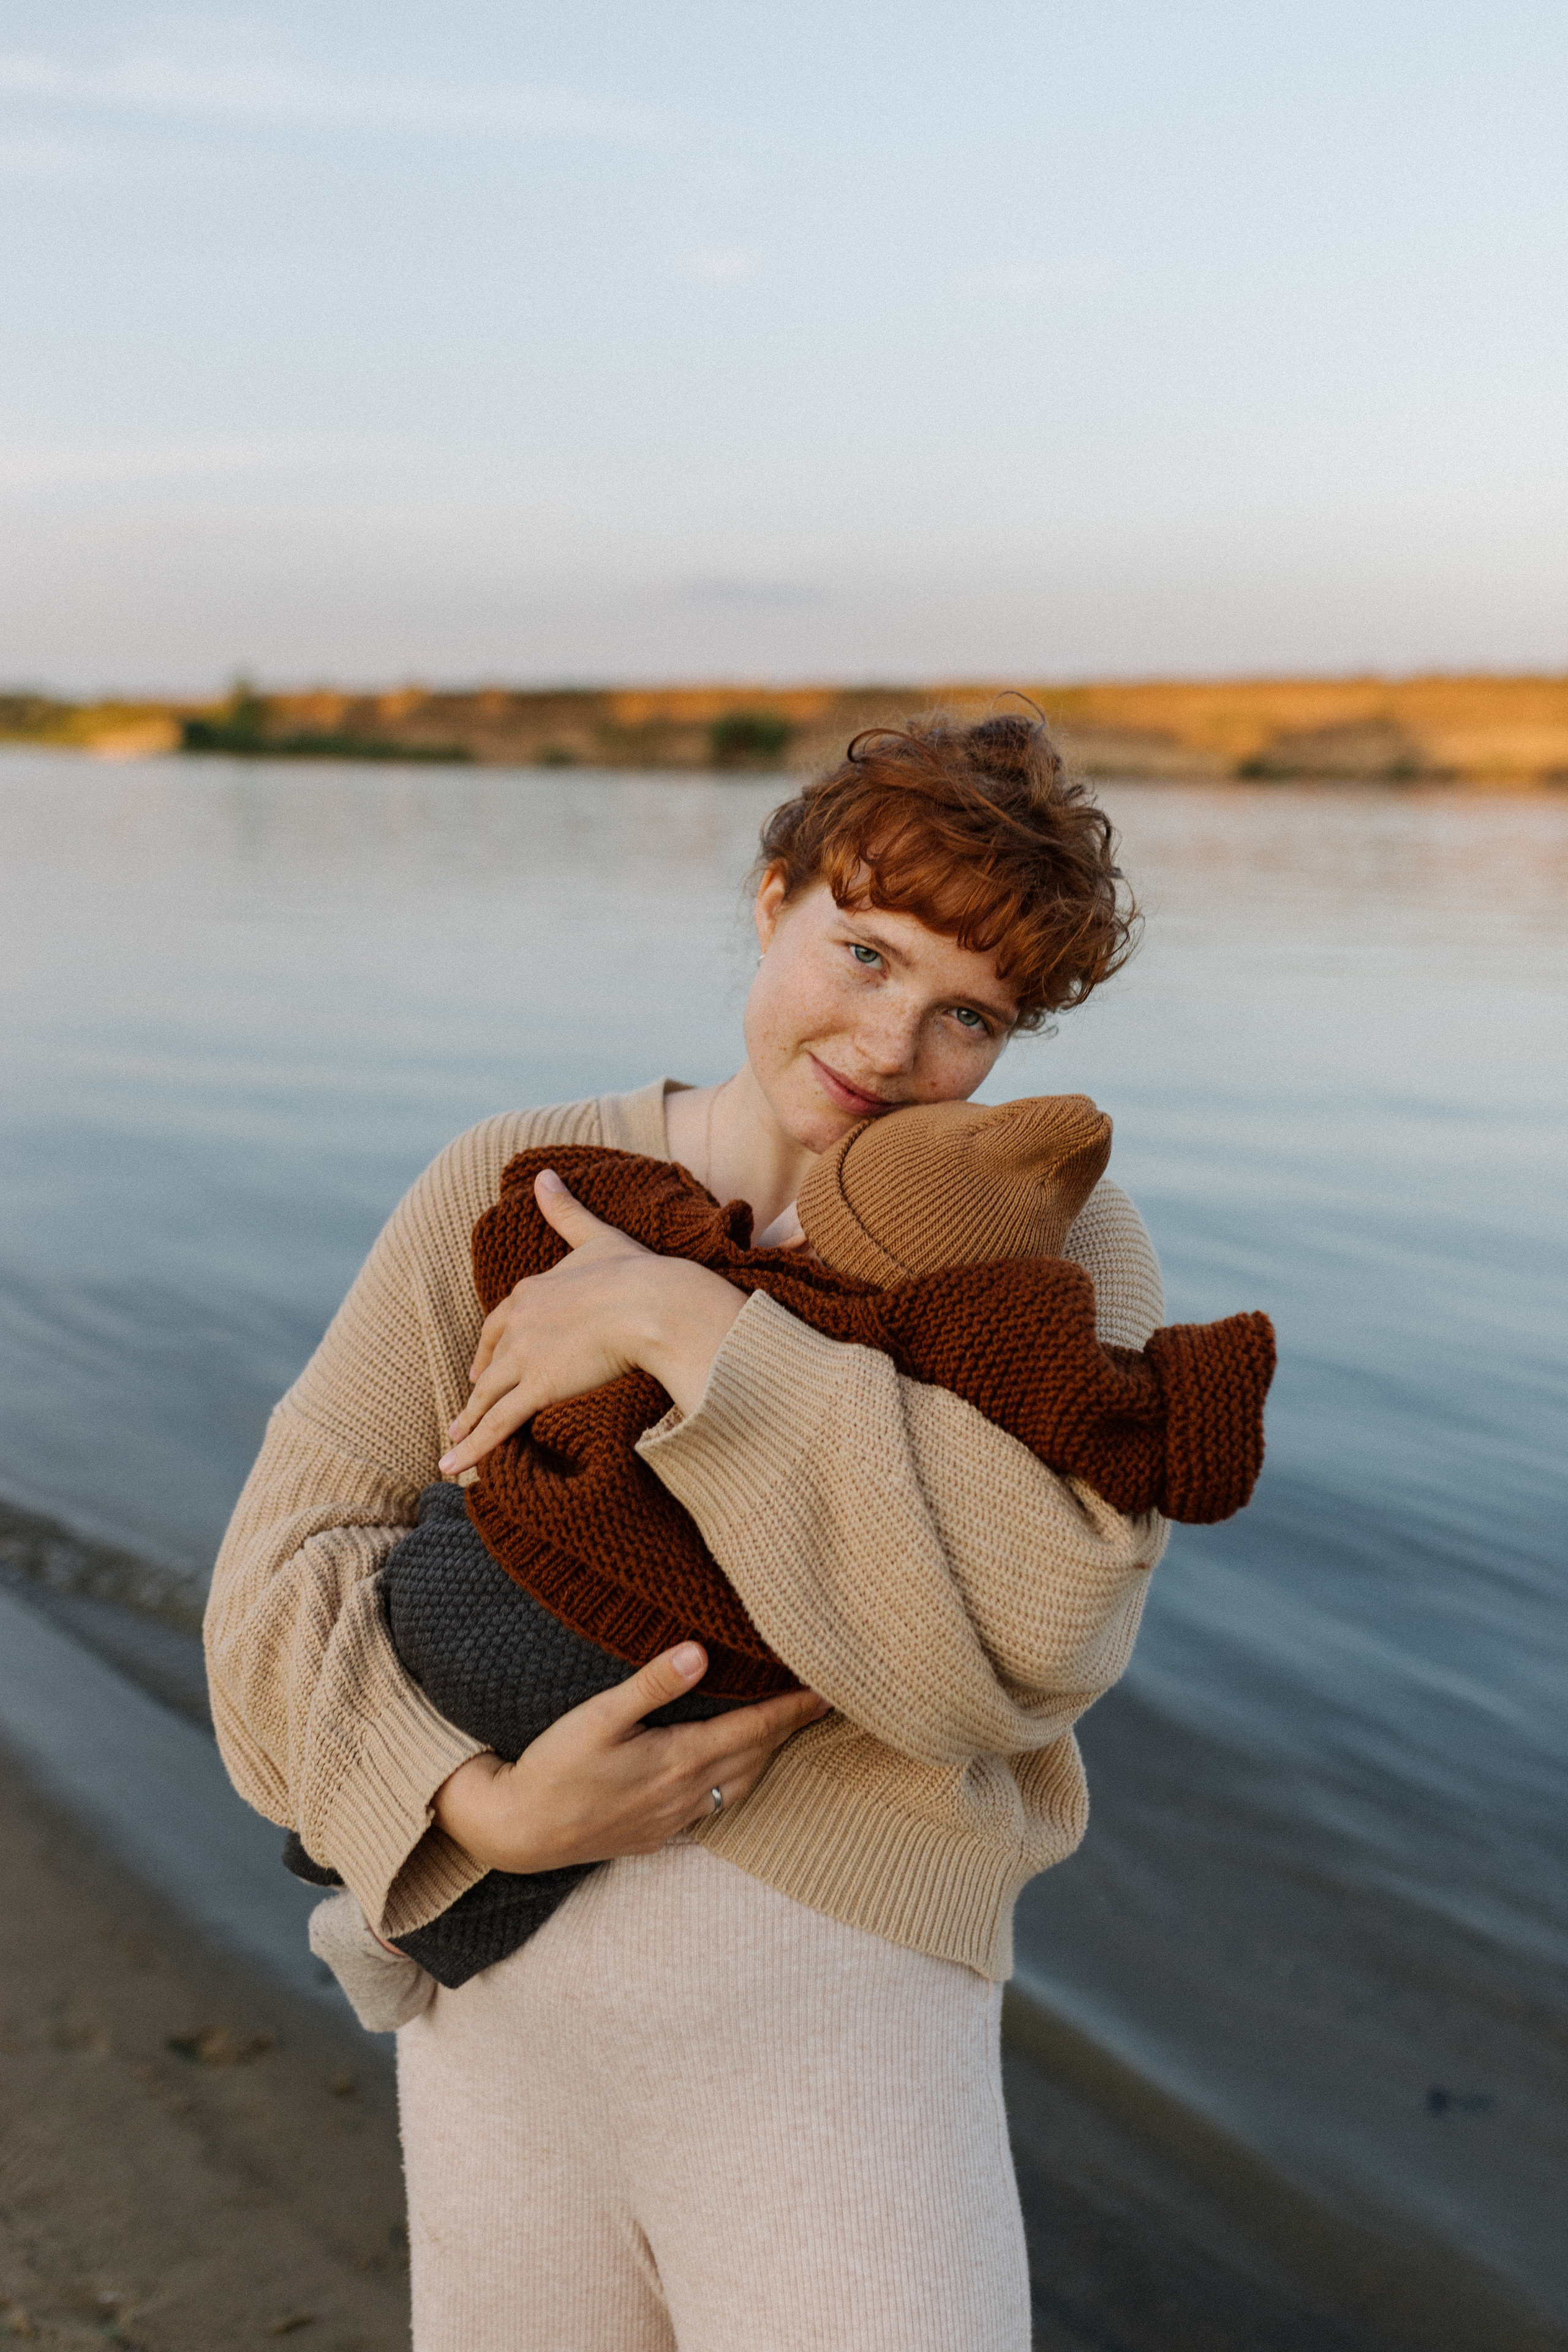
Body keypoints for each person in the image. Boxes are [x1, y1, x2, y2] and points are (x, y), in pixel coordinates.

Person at [206, 710, 1170, 2352]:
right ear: (773, 895)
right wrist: (476, 1811)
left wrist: (696, 1333)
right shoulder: (514, 1180)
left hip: (839, 2039)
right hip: (500, 2019)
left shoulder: (1042, 1254)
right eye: (860, 952)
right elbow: (265, 1595)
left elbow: (1042, 1646)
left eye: (968, 1017)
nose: (890, 1043)